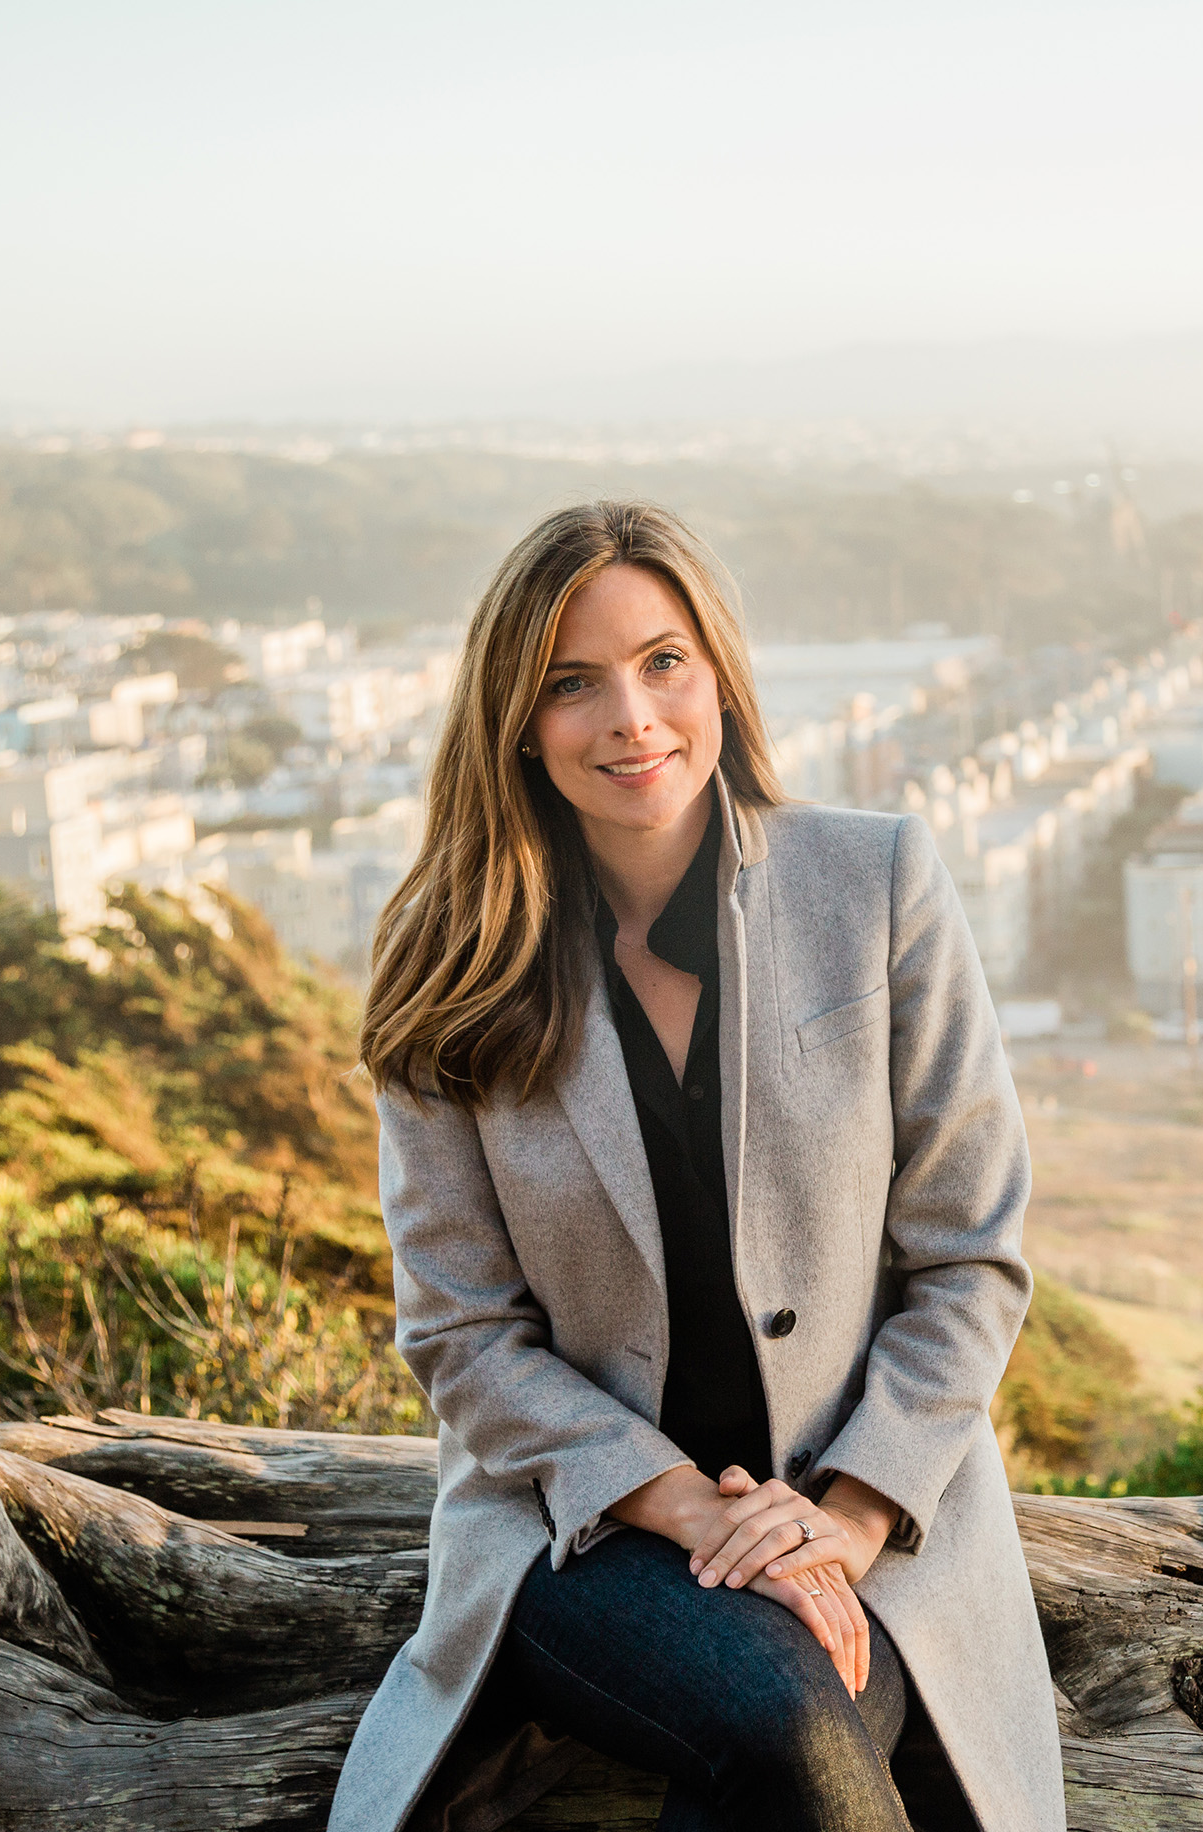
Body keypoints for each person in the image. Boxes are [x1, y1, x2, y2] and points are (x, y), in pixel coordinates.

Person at [330, 502, 1065, 1832]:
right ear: (515, 717)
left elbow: (971, 1254)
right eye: (572, 682)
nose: (630, 718)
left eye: (663, 662)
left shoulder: (877, 880)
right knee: (784, 1716)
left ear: (717, 669)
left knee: (784, 1746)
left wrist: (836, 1520)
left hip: (874, 1511)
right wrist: (688, 1509)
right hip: (586, 1527)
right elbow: (462, 1335)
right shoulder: (446, 958)